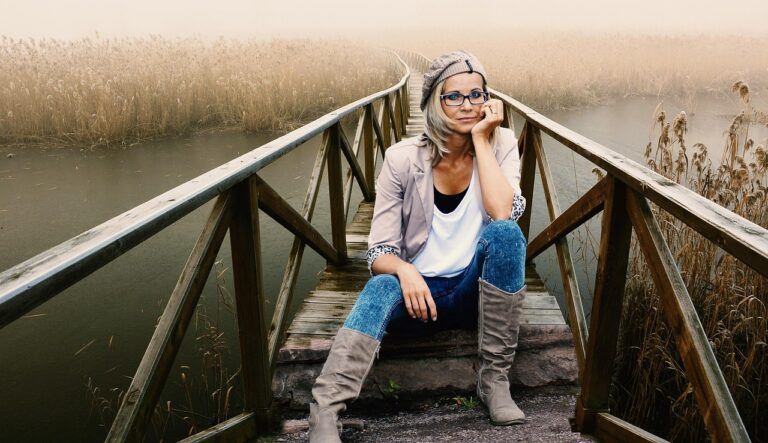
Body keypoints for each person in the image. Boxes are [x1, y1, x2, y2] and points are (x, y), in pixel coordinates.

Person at [308, 50, 528, 442]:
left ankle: (494, 381)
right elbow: (378, 253)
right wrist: (406, 270)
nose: (467, 105)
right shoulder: (401, 158)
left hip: (472, 293)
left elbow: (503, 214)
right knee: (380, 285)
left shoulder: (503, 144)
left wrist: (482, 140)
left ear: (488, 100)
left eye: (476, 95)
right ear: (433, 103)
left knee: (506, 236)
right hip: (417, 298)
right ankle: (325, 410)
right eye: (454, 96)